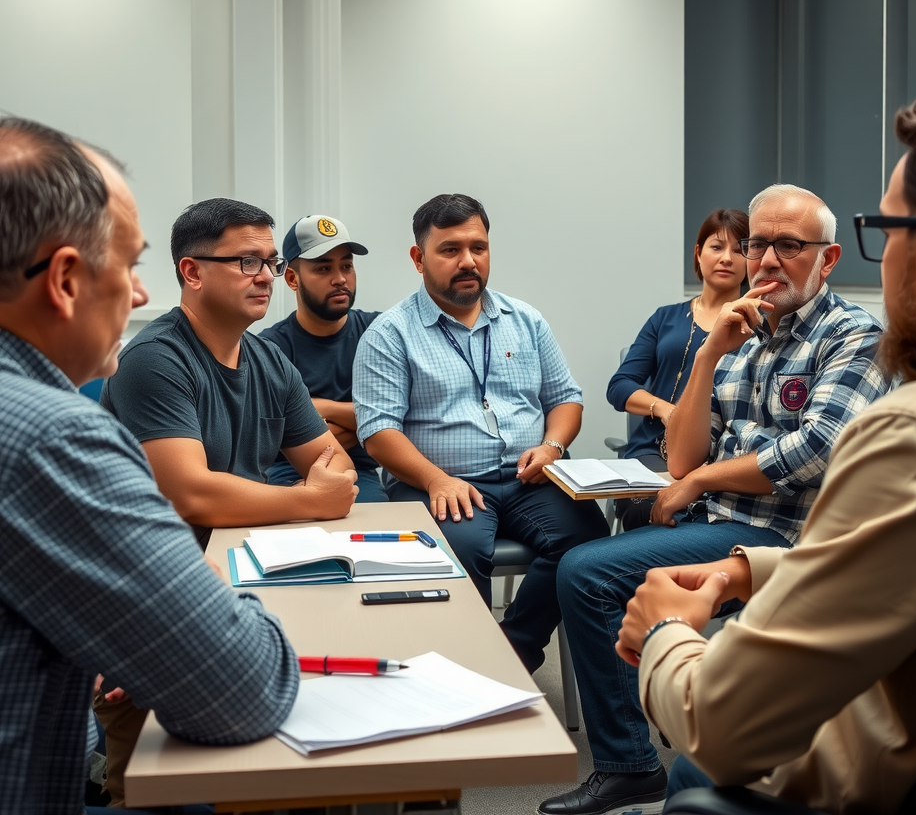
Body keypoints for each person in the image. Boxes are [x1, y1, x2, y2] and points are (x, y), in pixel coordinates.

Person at [618, 90, 916, 815]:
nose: (765, 260)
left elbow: (723, 726)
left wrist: (665, 633)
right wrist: (750, 571)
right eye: (756, 244)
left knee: (692, 776)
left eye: (884, 231)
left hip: (870, 785)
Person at [541, 184, 890, 815]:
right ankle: (636, 757)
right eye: (760, 244)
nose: (766, 260)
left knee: (586, 571)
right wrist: (707, 355)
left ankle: (627, 765)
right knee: (592, 567)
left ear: (829, 259)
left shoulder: (855, 337)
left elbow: (816, 452)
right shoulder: (743, 331)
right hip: (725, 522)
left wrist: (703, 481)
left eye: (790, 245)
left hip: (787, 537)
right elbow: (681, 456)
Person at [0, 118, 298, 815]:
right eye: (130, 266)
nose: (138, 294)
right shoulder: (52, 433)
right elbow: (241, 688)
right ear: (68, 279)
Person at [99, 197, 358, 803]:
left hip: (250, 574)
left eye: (269, 262)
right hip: (157, 600)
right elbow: (191, 495)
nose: (267, 276)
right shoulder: (155, 361)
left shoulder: (269, 359)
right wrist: (303, 498)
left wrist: (298, 495)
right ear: (191, 272)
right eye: (247, 262)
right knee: (167, 791)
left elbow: (338, 470)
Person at [352, 193, 609, 673]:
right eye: (450, 249)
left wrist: (553, 446)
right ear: (418, 258)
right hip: (441, 482)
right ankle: (455, 671)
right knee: (455, 555)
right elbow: (378, 432)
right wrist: (434, 480)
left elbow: (566, 399)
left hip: (528, 475)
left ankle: (511, 652)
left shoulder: (525, 320)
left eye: (478, 247)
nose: (468, 261)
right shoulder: (390, 334)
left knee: (590, 543)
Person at [606, 208, 748, 529]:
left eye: (739, 250)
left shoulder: (756, 325)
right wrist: (667, 410)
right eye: (716, 247)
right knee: (650, 506)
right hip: (655, 450)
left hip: (723, 457)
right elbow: (619, 387)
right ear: (698, 254)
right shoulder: (665, 318)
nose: (727, 258)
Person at [261, 213, 386, 502]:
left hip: (360, 472)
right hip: (287, 472)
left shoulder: (380, 333)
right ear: (292, 278)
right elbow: (275, 436)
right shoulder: (270, 348)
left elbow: (398, 417)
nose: (340, 278)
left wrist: (320, 407)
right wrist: (365, 426)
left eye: (346, 266)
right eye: (323, 269)